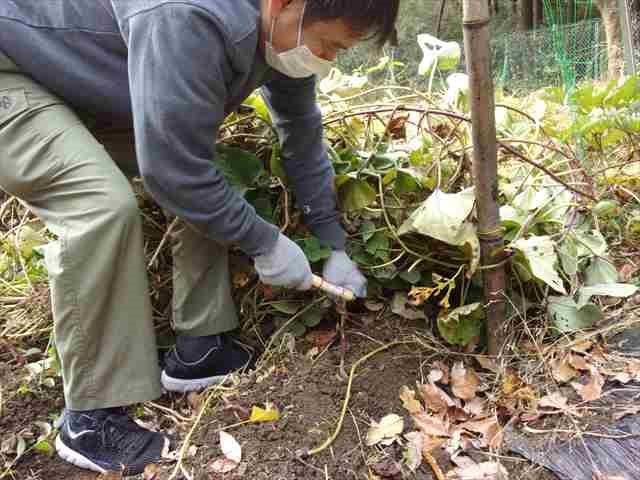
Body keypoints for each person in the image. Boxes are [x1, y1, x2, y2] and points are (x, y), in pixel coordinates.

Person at [0, 0, 400, 475]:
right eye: (329, 45)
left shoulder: (283, 37)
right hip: (14, 68)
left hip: (76, 77)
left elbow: (301, 131)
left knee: (205, 177)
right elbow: (173, 172)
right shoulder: (187, 14)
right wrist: (266, 243)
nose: (327, 60)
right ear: (285, 5)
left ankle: (200, 350)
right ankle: (90, 419)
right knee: (102, 207)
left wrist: (332, 242)